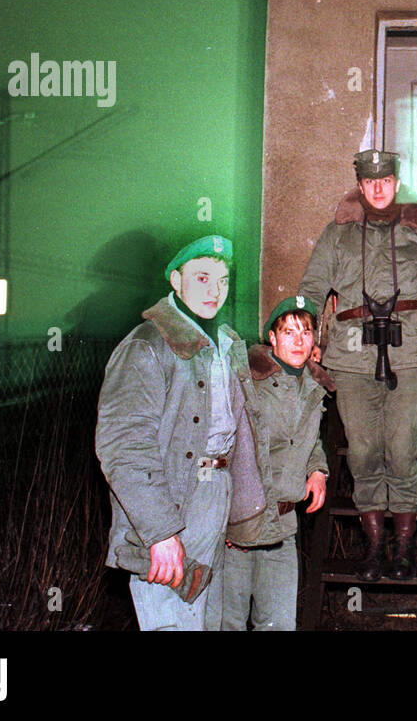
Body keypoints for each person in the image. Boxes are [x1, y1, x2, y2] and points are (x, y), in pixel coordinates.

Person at [298, 149, 417, 581]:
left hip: (407, 352)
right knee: (363, 452)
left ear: (396, 183)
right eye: (370, 182)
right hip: (350, 354)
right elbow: (311, 287)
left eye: (386, 181)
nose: (379, 188)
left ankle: (404, 550)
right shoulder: (337, 233)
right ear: (360, 186)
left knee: (402, 449)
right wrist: (305, 336)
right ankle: (374, 549)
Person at [95, 235, 255, 631]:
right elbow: (123, 447)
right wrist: (160, 531)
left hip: (215, 492)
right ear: (175, 280)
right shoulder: (146, 345)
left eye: (222, 280)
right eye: (201, 278)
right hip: (173, 501)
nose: (214, 291)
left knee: (207, 621)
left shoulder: (223, 342)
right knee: (169, 618)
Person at [217, 295, 330, 630]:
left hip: (282, 527)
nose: (298, 340)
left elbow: (307, 438)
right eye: (289, 332)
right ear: (272, 338)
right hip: (237, 528)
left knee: (280, 624)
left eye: (306, 332)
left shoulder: (312, 385)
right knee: (228, 623)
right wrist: (222, 514)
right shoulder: (247, 382)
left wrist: (317, 470)